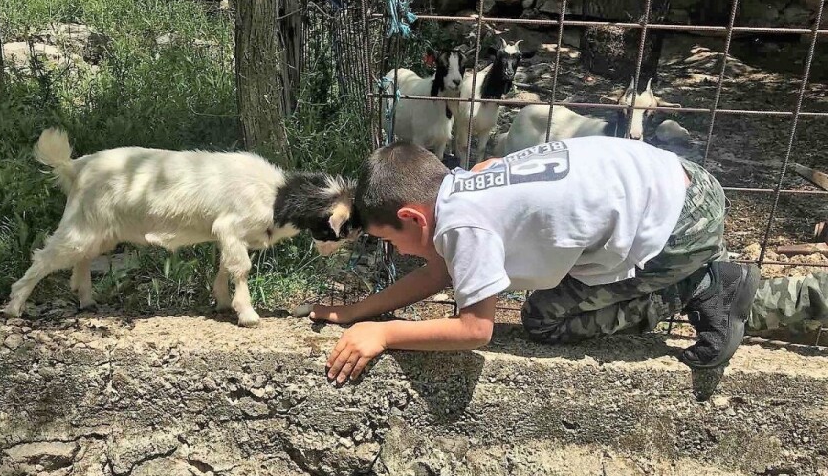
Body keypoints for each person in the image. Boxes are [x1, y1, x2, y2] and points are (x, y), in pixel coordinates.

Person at [301, 138, 827, 385]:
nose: (393, 251)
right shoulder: (464, 187)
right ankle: (711, 282)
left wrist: (384, 335)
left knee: (542, 319)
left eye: (387, 239)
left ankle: (696, 286)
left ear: (416, 219)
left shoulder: (462, 225)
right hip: (681, 180)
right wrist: (359, 311)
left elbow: (476, 330)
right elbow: (439, 272)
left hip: (676, 229)